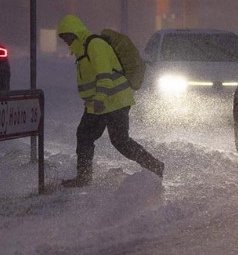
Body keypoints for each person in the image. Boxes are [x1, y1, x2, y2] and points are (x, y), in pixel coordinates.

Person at [57, 14, 164, 187]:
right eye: (63, 39)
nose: (66, 41)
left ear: (75, 33)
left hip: (113, 101)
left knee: (119, 140)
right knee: (85, 135)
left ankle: (155, 166)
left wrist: (99, 98)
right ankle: (83, 177)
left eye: (67, 37)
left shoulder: (94, 45)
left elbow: (104, 74)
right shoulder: (82, 50)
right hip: (99, 104)